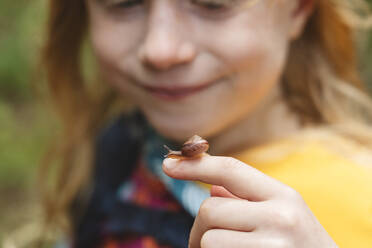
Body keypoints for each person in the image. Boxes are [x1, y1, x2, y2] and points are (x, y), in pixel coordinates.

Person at [39, 0, 372, 247]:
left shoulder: (359, 198)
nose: (160, 49)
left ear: (298, 9)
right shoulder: (117, 147)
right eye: (123, 3)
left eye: (213, 4)